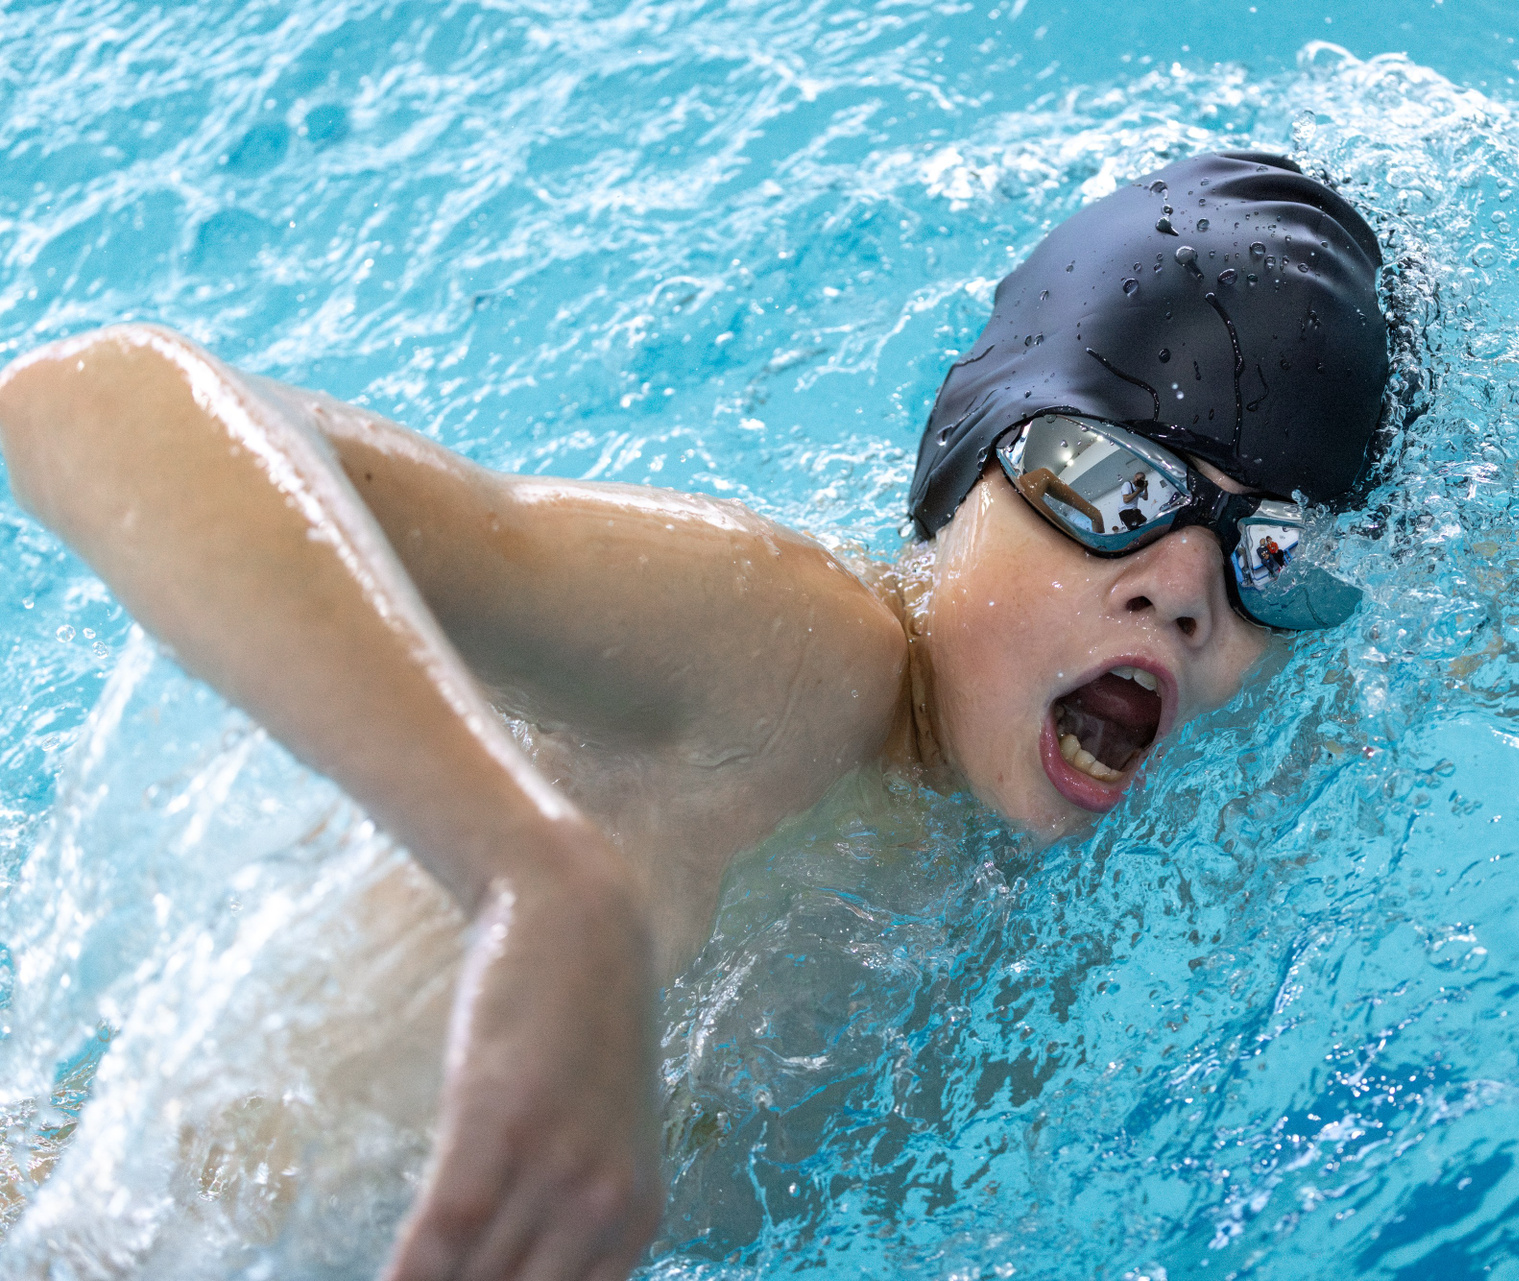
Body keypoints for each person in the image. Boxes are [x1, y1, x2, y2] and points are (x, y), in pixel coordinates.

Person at [0, 151, 1389, 1280]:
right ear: (963, 467)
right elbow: (94, 399)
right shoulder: (791, 656)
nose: (1181, 590)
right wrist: (535, 875)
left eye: (1268, 556)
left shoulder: (1028, 897)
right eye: (1110, 482)